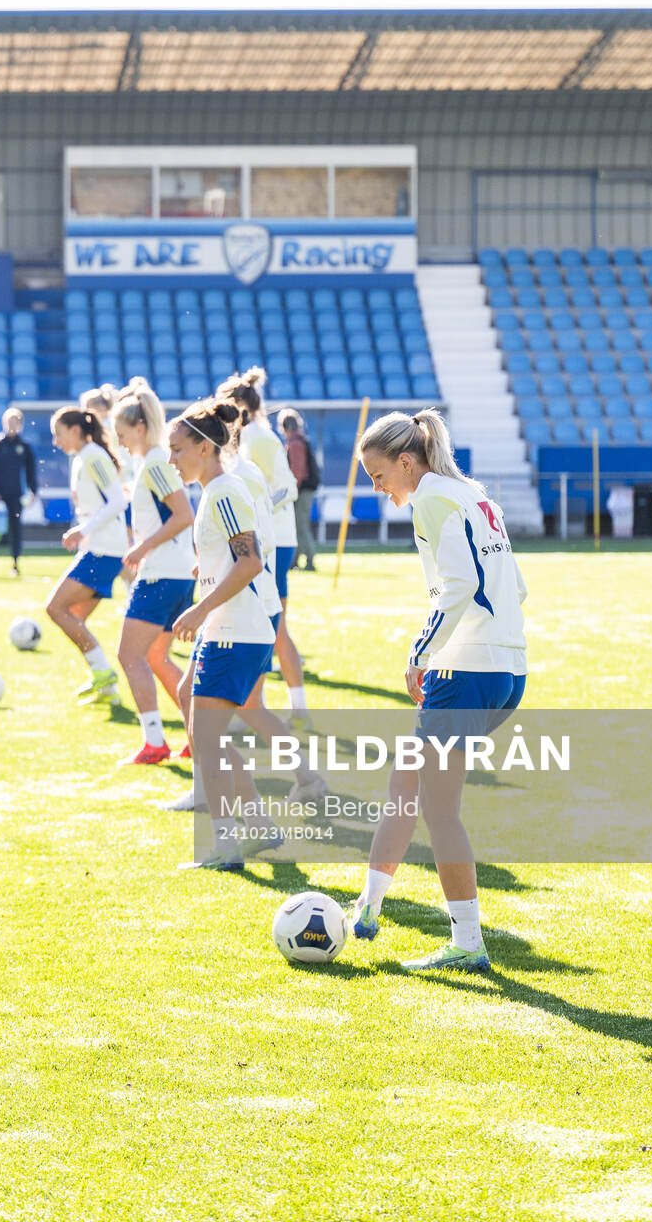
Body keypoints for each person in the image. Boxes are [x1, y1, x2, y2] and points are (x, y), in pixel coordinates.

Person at [346, 408, 528, 971]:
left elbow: (459, 586)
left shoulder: (429, 497)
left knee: (438, 810)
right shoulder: (473, 494)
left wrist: (420, 653)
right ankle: (368, 907)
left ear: (407, 461)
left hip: (463, 672)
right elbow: (515, 587)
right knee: (406, 782)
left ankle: (468, 941)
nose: (378, 489)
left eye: (379, 476)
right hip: (506, 670)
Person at [164, 398, 280, 870]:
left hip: (237, 630)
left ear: (205, 448)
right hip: (229, 626)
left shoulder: (225, 490)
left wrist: (200, 606)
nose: (171, 460)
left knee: (207, 740)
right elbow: (234, 555)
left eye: (177, 450)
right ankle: (257, 826)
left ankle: (226, 844)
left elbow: (250, 560)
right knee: (189, 696)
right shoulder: (214, 492)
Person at [112, 384, 194, 764]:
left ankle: (155, 742)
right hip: (174, 574)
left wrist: (142, 548)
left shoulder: (157, 462)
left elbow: (183, 514)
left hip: (162, 574)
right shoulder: (154, 463)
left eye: (123, 433)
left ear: (140, 428)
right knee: (157, 657)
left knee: (130, 655)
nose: (119, 440)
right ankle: (197, 733)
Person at [221, 369, 307, 715]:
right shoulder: (250, 436)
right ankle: (280, 708)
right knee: (269, 626)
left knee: (271, 625)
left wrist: (257, 513)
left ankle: (279, 709)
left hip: (275, 542)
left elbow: (288, 487)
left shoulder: (258, 438)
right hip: (267, 540)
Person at [45, 405, 128, 705]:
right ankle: (106, 687)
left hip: (105, 549)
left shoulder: (93, 455)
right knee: (74, 617)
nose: (56, 442)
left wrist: (84, 530)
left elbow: (118, 501)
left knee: (56, 609)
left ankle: (104, 673)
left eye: (59, 434)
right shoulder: (85, 457)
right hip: (100, 547)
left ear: (76, 430)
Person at [0, 407, 37, 576]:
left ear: (20, 424)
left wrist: (33, 491)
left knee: (15, 530)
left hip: (15, 494)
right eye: (9, 422)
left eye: (15, 422)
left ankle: (15, 565)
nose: (12, 426)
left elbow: (31, 471)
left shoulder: (24, 446)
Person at [280, 409, 321, 571]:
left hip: (301, 490)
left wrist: (291, 493)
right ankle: (295, 560)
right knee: (297, 526)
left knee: (301, 526)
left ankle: (310, 560)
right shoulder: (299, 440)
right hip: (303, 489)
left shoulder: (295, 443)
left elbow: (298, 471)